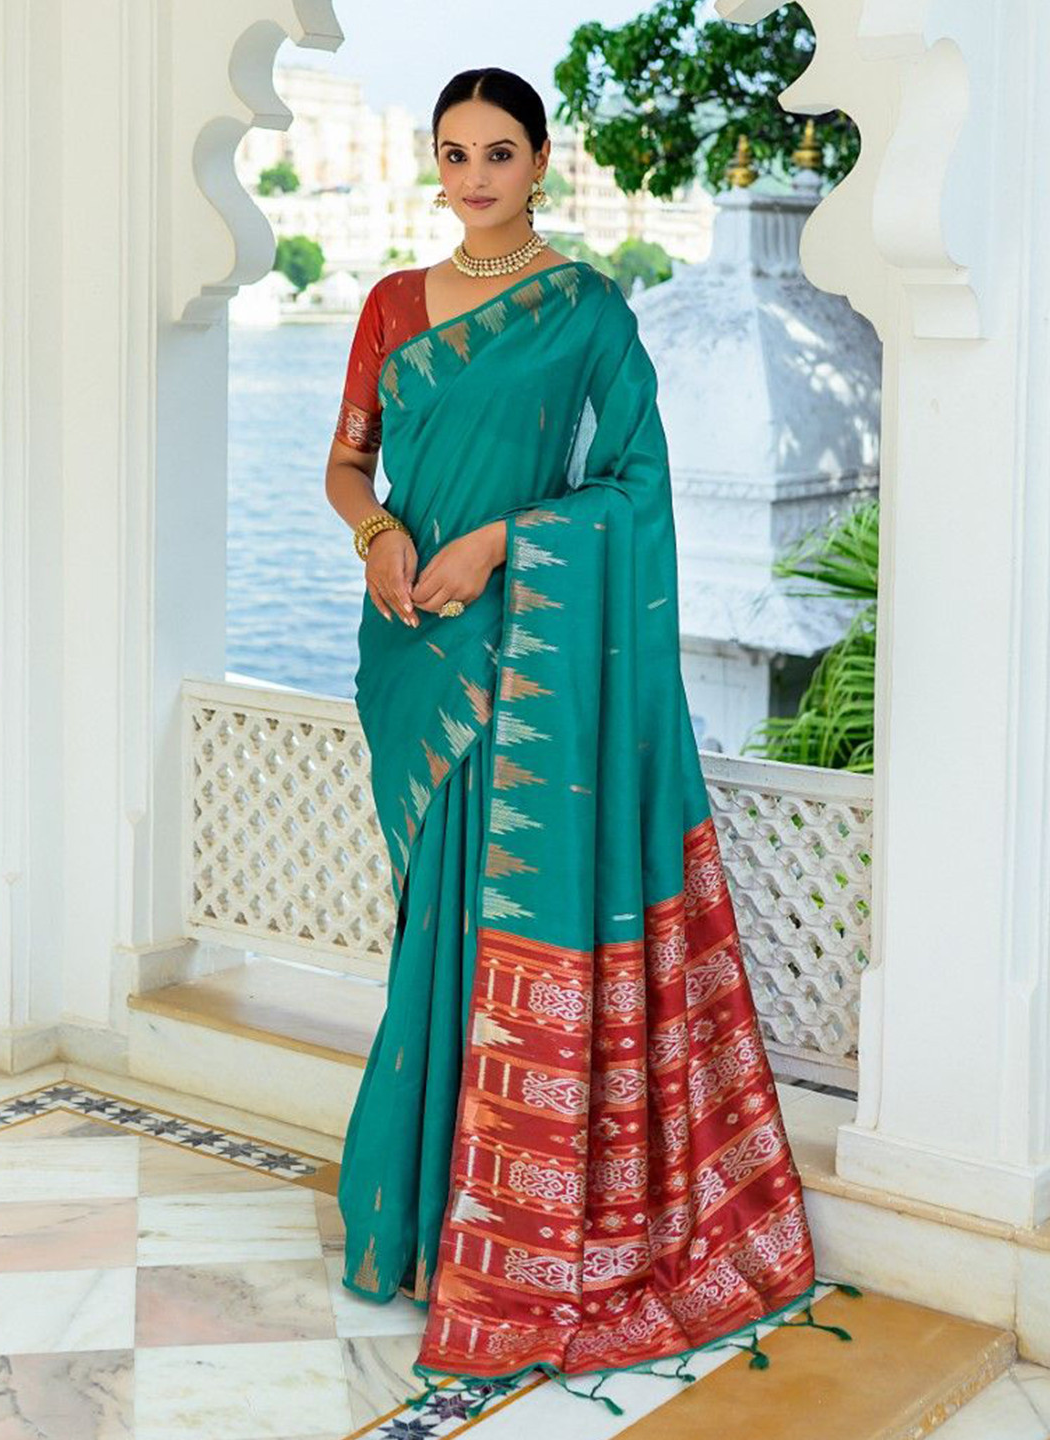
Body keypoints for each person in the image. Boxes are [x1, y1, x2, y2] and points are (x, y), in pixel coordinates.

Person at [323, 65, 855, 1416]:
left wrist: (508, 540)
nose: (475, 176)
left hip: (531, 661)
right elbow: (348, 462)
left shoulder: (588, 313)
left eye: (499, 152)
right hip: (419, 649)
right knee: (432, 931)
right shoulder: (391, 306)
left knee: (501, 918)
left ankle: (505, 1232)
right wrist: (379, 535)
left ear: (541, 161)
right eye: (454, 153)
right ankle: (424, 1221)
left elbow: (635, 487)